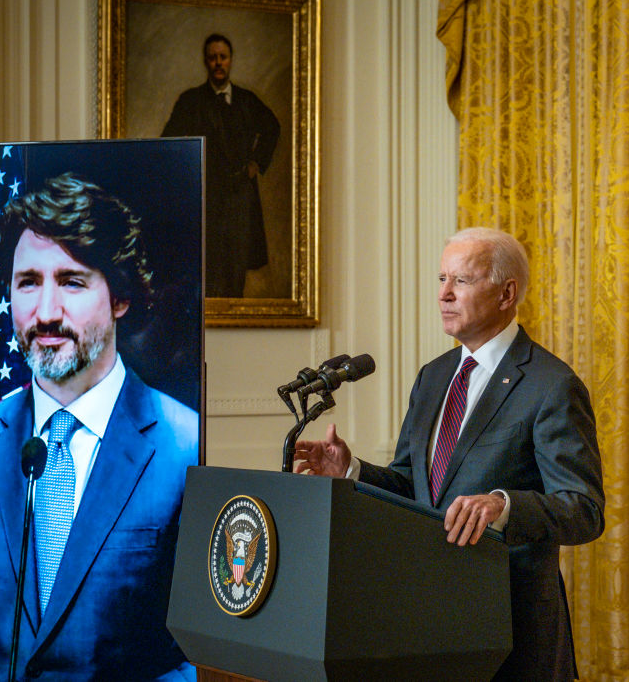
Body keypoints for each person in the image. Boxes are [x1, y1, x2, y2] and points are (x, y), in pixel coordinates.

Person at [0, 173, 198, 681]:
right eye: (28, 283)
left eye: (71, 281)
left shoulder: (186, 447)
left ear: (120, 297)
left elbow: (204, 654)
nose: (45, 312)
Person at [294, 228, 605, 681]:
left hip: (511, 628)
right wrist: (351, 469)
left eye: (461, 280)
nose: (444, 294)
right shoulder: (434, 376)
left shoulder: (550, 384)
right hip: (428, 619)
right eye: (442, 278)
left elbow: (584, 509)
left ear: (506, 292)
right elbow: (411, 485)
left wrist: (504, 505)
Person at [162, 33, 280, 298]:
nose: (218, 63)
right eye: (212, 57)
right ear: (206, 61)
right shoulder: (190, 102)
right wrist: (188, 176)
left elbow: (272, 127)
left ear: (230, 61)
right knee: (208, 268)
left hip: (240, 198)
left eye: (222, 57)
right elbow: (168, 142)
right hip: (206, 199)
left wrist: (255, 163)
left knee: (236, 266)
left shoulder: (247, 101)